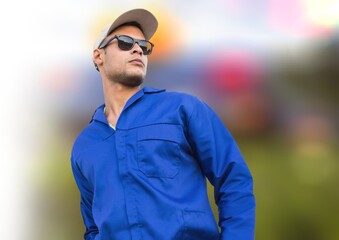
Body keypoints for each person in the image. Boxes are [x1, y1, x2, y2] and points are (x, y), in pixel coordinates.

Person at [71, 8, 255, 240]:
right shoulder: (85, 145)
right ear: (99, 55)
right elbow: (93, 226)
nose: (138, 48)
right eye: (125, 42)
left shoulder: (183, 109)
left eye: (144, 46)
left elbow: (233, 179)